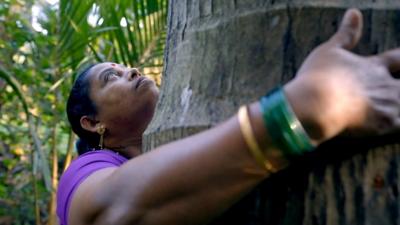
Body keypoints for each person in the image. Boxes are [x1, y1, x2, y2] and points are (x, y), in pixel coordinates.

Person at [57, 9, 400, 225]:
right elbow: (113, 208)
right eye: (110, 77)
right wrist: (301, 110)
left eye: (123, 67)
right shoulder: (83, 171)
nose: (130, 70)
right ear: (92, 123)